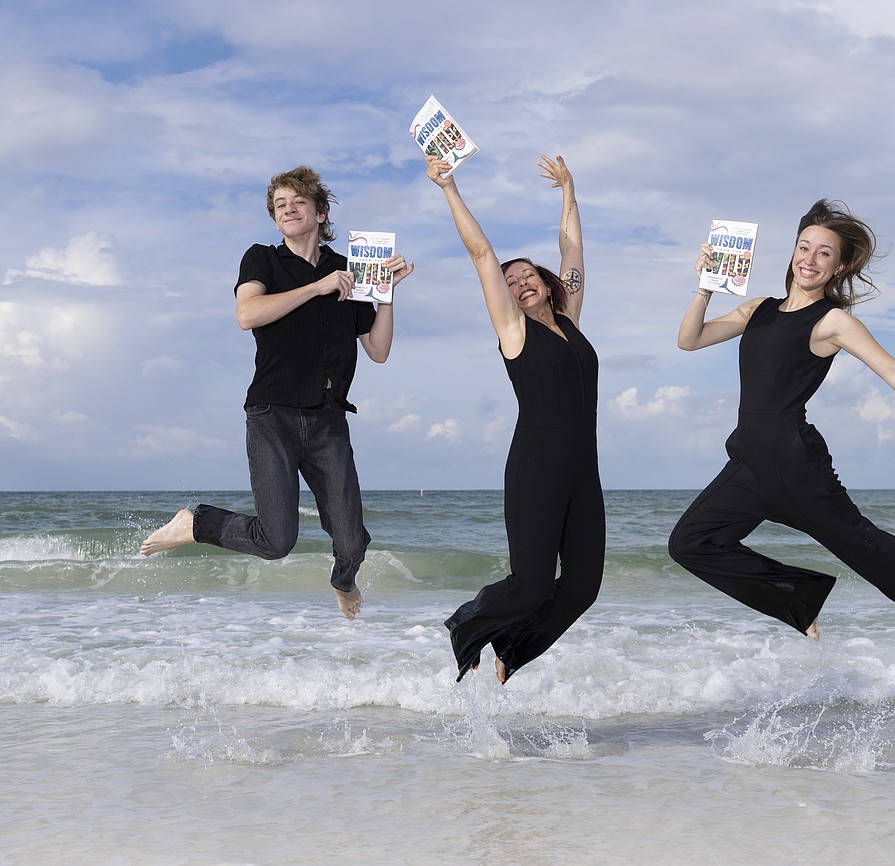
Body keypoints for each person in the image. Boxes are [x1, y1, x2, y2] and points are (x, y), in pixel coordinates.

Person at [668, 199, 895, 662]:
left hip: (795, 468)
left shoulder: (832, 321)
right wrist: (705, 288)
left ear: (838, 266)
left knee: (867, 550)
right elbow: (689, 340)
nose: (809, 260)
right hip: (748, 465)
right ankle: (796, 596)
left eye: (823, 253)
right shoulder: (758, 309)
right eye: (804, 247)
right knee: (690, 543)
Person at [140, 166, 414, 621]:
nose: (287, 209)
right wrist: (317, 288)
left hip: (328, 417)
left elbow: (379, 351)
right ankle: (195, 523)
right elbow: (247, 314)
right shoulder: (262, 259)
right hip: (273, 413)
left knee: (351, 542)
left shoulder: (349, 270)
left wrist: (384, 295)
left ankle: (343, 581)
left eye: (298, 202)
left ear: (320, 212)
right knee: (277, 541)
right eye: (280, 204)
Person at [426, 153, 604, 684]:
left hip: (582, 465)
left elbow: (572, 248)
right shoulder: (514, 332)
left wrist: (569, 188)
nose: (521, 282)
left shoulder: (570, 321)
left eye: (529, 275)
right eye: (512, 281)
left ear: (548, 285)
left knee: (581, 588)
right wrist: (448, 186)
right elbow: (481, 253)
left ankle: (511, 649)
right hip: (536, 463)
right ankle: (466, 623)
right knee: (530, 585)